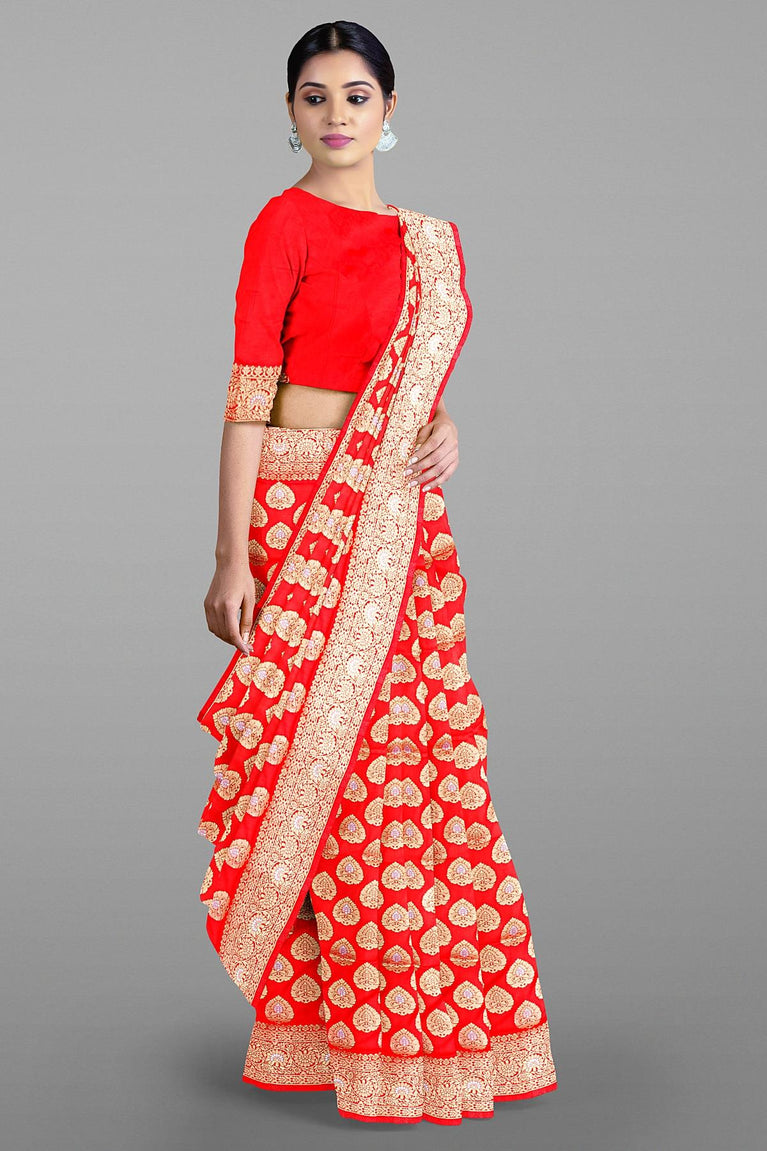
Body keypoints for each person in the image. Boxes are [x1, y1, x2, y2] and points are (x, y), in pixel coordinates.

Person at [196, 19, 557, 1126]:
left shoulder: (430, 243)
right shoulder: (281, 223)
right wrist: (229, 553)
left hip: (400, 521)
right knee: (321, 769)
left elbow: (406, 387)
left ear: (389, 111)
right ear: (289, 112)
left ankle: (430, 1027)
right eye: (314, 96)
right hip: (301, 512)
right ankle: (330, 1032)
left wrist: (443, 423)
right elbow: (248, 398)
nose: (336, 114)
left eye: (356, 96)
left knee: (410, 771)